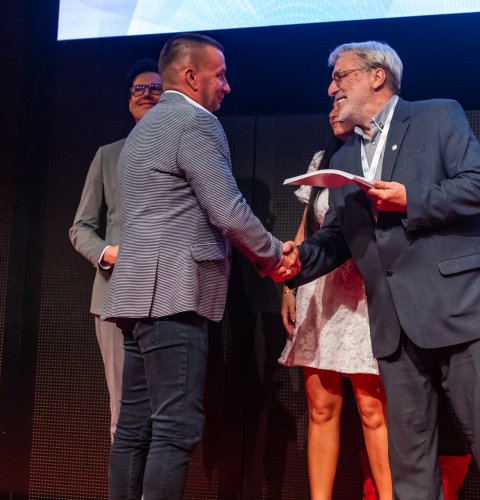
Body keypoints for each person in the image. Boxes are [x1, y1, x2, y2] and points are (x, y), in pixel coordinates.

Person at [289, 41, 480, 499]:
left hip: (463, 311)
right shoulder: (343, 158)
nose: (331, 89)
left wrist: (411, 200)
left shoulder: (437, 116)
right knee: (409, 464)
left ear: (376, 76)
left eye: (340, 76)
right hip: (393, 326)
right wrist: (297, 262)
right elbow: (341, 237)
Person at [101, 33, 299, 500]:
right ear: (192, 77)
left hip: (135, 298)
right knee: (176, 428)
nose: (227, 86)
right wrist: (275, 257)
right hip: (174, 297)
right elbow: (228, 211)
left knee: (133, 427)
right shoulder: (195, 123)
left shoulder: (142, 130)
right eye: (220, 75)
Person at [279, 101, 391, 500]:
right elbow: (308, 228)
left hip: (363, 292)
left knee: (372, 408)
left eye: (341, 100)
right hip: (320, 288)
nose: (333, 109)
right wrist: (289, 287)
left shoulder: (382, 155)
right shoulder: (321, 160)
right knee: (321, 407)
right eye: (330, 103)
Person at [69, 58, 162, 442]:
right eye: (139, 89)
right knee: (123, 412)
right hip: (115, 297)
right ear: (129, 101)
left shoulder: (188, 151)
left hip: (170, 298)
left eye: (155, 88)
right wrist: (108, 253)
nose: (147, 94)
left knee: (168, 413)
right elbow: (80, 228)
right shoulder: (108, 155)